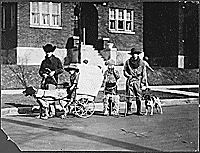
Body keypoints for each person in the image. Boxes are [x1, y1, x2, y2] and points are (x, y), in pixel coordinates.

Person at [39, 44, 64, 117]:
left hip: (52, 81)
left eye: (49, 52)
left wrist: (54, 72)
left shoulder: (57, 60)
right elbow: (40, 71)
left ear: (52, 52)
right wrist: (43, 74)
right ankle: (46, 112)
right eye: (47, 52)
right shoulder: (44, 61)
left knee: (51, 97)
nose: (48, 53)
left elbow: (61, 69)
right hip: (45, 81)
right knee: (44, 97)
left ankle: (52, 112)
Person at [123, 48, 147, 116]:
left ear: (138, 54)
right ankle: (129, 110)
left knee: (138, 95)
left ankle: (139, 110)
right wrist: (128, 76)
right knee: (129, 95)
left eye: (136, 54)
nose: (134, 55)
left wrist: (143, 82)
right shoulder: (127, 62)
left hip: (138, 80)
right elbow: (124, 71)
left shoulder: (142, 62)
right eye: (133, 54)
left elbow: (144, 73)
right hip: (130, 80)